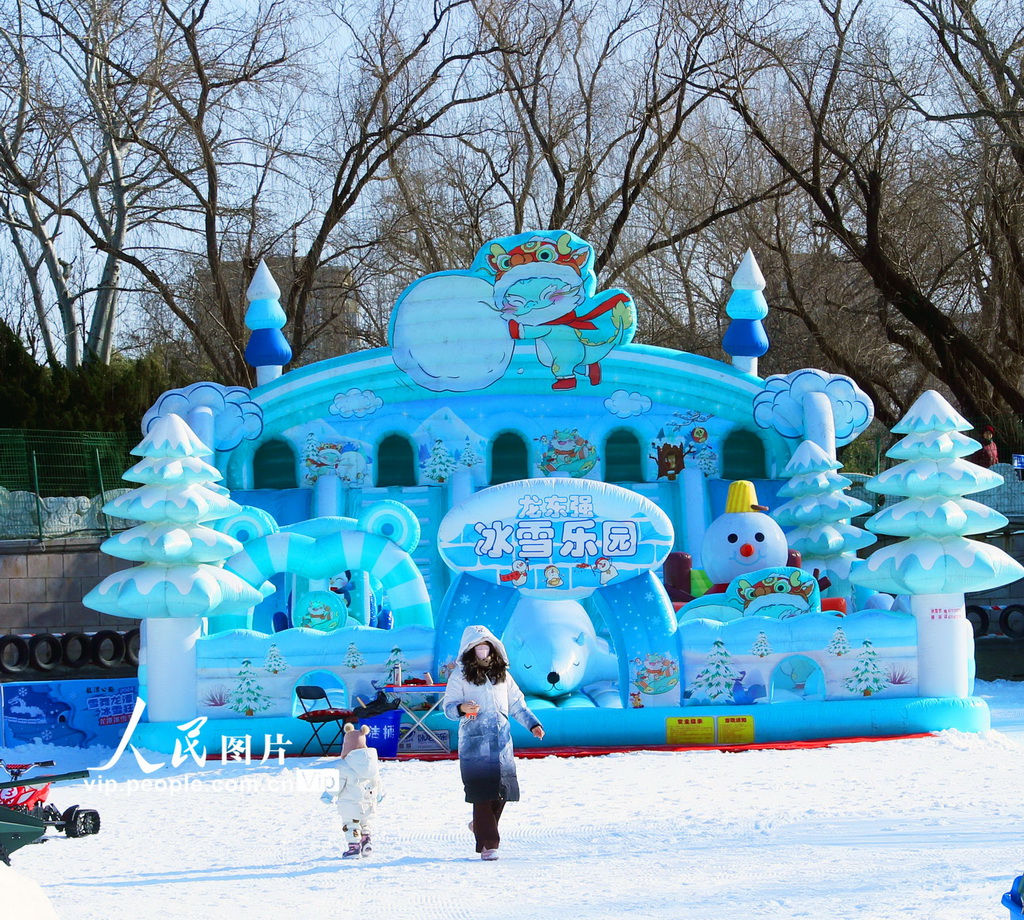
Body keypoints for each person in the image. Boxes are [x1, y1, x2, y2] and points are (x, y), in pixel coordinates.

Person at [442, 624, 544, 861]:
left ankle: (480, 825)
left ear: (494, 649)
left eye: (486, 647)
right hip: (474, 744)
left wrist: (533, 724)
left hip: (501, 743)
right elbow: (448, 707)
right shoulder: (460, 675)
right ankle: (489, 844)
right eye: (477, 647)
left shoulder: (503, 676)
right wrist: (461, 708)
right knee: (481, 793)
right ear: (468, 650)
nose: (482, 651)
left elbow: (518, 704)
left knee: (502, 791)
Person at [322, 722, 384, 859]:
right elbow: (377, 781)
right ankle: (366, 841)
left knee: (351, 825)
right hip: (369, 803)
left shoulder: (344, 765)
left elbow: (336, 784)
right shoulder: (373, 765)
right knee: (365, 822)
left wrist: (328, 795)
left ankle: (354, 848)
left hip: (350, 804)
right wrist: (379, 794)